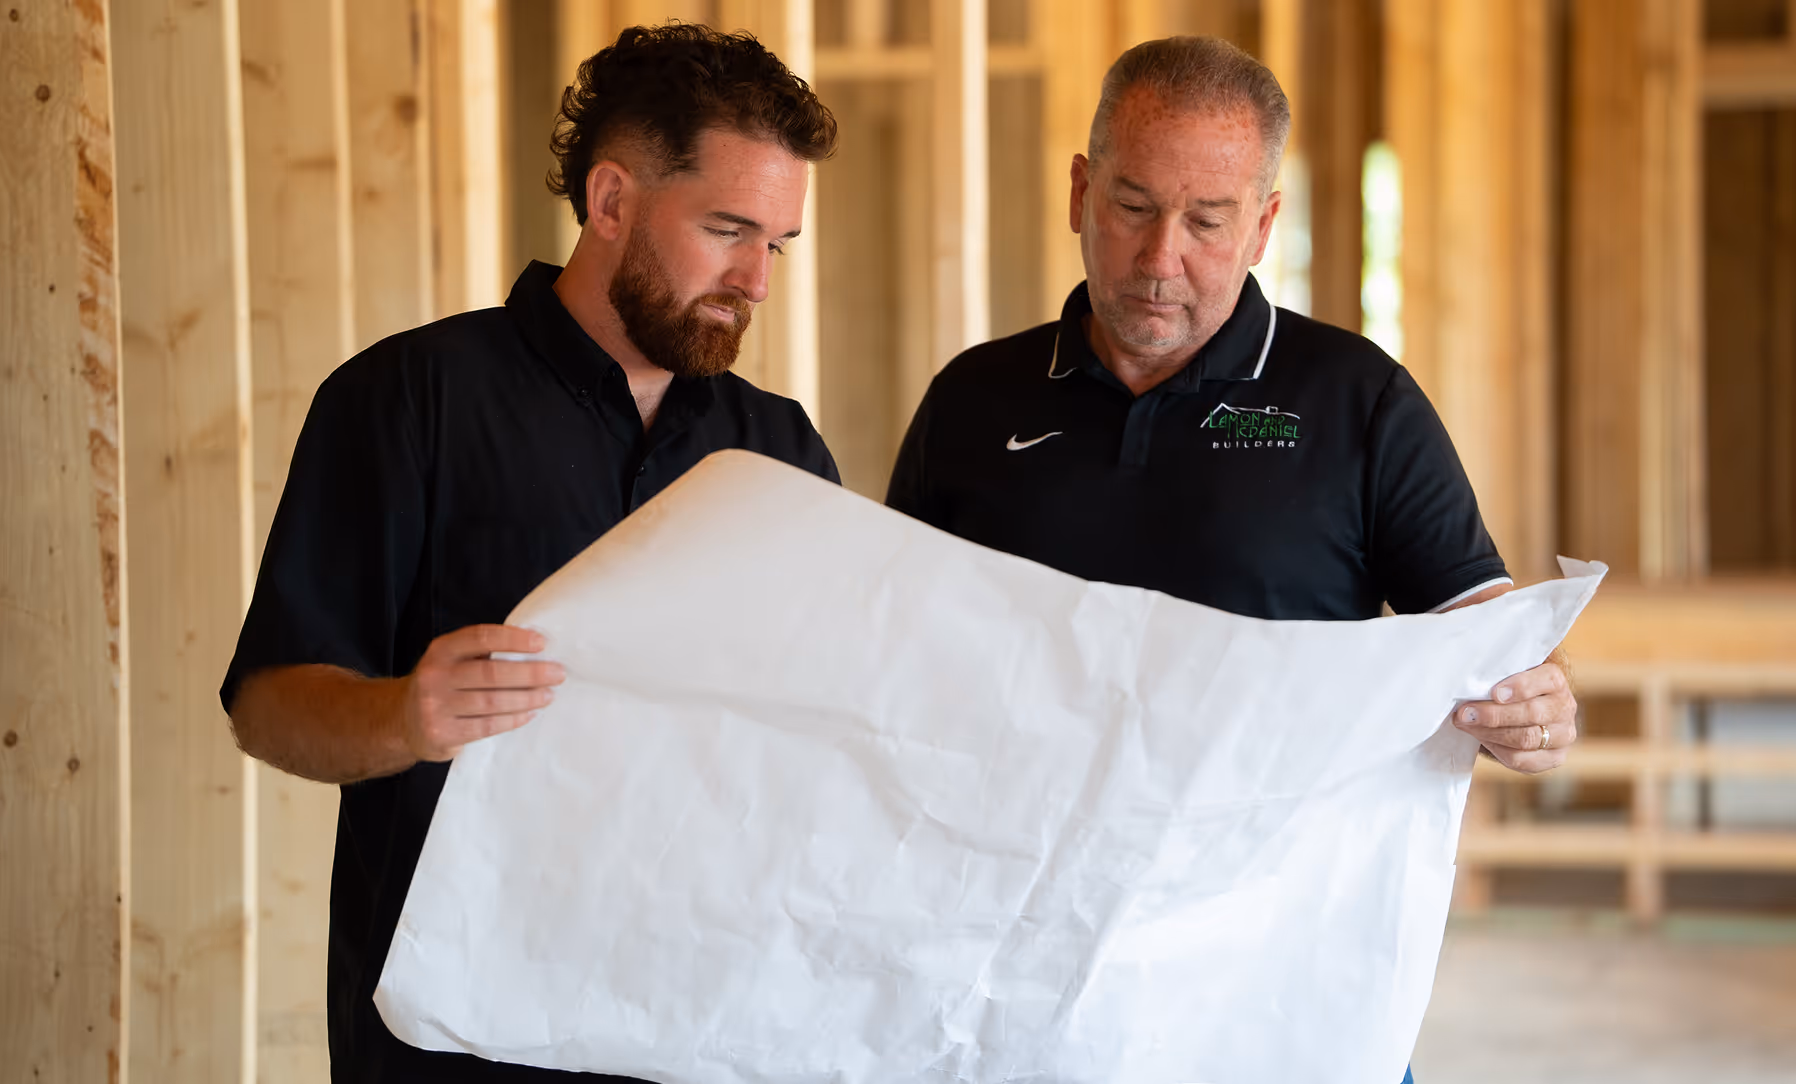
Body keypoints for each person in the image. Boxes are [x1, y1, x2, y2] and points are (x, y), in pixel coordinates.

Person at [885, 38, 1576, 1083]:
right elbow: (892, 653)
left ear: (1261, 225)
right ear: (1078, 191)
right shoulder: (973, 403)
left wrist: (1536, 709)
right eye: (1130, 206)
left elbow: (1487, 637)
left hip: (1281, 968)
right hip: (1021, 963)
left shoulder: (1358, 404)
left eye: (1207, 221)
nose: (1161, 257)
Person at [222, 25, 837, 1082]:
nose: (756, 280)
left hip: (705, 1032)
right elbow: (267, 703)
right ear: (610, 202)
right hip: (452, 1043)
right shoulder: (406, 401)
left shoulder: (778, 449)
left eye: (775, 243)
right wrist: (402, 716)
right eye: (728, 229)